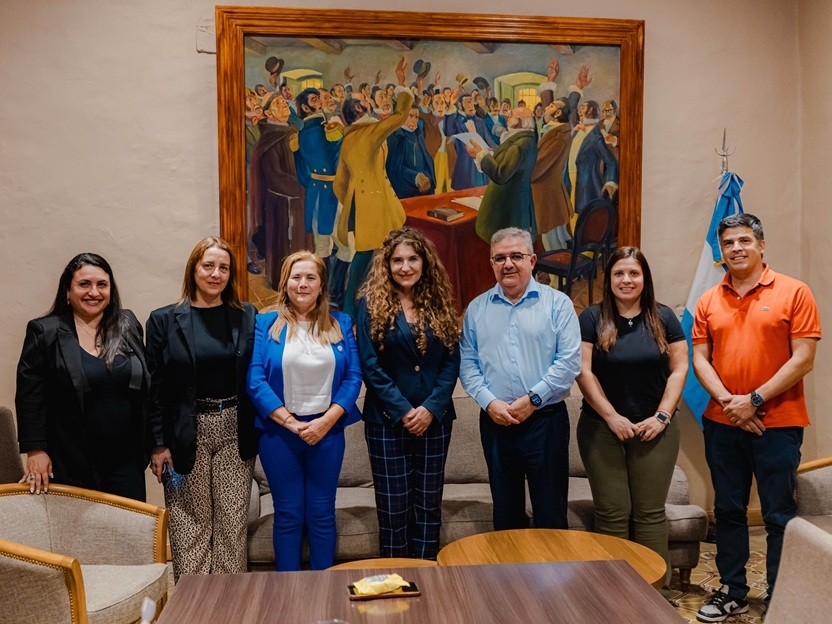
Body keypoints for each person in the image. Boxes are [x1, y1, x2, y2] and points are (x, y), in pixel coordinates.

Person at [692, 213, 820, 622]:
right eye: (728, 243)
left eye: (745, 240)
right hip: (722, 423)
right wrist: (732, 403)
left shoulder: (795, 292)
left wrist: (755, 400)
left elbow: (803, 358)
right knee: (728, 510)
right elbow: (700, 359)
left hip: (778, 424)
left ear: (761, 245)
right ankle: (733, 592)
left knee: (778, 514)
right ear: (721, 251)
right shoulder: (708, 300)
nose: (737, 249)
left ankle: (781, 597)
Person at [146, 237, 258, 579]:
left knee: (231, 526)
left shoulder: (246, 315)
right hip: (184, 431)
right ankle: (193, 604)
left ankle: (231, 603)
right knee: (189, 526)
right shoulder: (163, 320)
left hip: (234, 428)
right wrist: (158, 443)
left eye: (223, 268)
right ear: (193, 270)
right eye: (208, 266)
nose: (215, 274)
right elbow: (154, 388)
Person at [575, 247, 688, 585]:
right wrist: (612, 417)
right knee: (612, 513)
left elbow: (680, 368)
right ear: (609, 280)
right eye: (619, 274)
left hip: (656, 429)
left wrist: (662, 416)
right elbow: (583, 371)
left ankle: (655, 595)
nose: (626, 280)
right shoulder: (591, 318)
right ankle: (613, 594)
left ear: (644, 278)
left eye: (634, 273)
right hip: (602, 429)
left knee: (650, 514)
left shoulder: (664, 317)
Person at [459, 227, 581, 530]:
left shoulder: (558, 304)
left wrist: (533, 399)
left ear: (532, 260)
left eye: (516, 256)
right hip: (496, 421)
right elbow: (468, 365)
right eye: (500, 258)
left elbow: (568, 362)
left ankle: (552, 565)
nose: (508, 264)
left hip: (546, 421)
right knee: (506, 516)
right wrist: (489, 403)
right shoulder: (476, 309)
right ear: (491, 263)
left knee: (551, 515)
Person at [247, 251, 362, 571]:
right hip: (279, 435)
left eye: (311, 277)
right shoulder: (265, 323)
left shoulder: (341, 323)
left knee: (322, 513)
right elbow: (255, 380)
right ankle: (289, 592)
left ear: (321, 284)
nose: (303, 284)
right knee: (288, 514)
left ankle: (324, 588)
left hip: (328, 433)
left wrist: (326, 421)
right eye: (296, 277)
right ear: (285, 283)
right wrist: (290, 423)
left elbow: (354, 377)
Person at [356, 227, 460, 559]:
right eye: (397, 260)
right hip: (387, 421)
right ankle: (398, 579)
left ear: (424, 262)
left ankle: (427, 576)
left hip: (435, 420)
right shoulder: (369, 304)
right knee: (393, 509)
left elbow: (451, 361)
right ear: (386, 265)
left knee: (429, 506)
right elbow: (370, 365)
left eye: (413, 259)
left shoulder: (440, 301)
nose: (405, 267)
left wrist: (431, 408)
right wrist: (403, 410)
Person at [16, 253, 149, 500]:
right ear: (68, 290)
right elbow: (30, 397)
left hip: (126, 460)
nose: (93, 292)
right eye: (84, 284)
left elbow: (146, 386)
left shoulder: (127, 323)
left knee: (128, 523)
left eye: (102, 284)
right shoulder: (45, 331)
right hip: (70, 458)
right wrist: (35, 450)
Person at [464, 106, 538, 243]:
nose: (507, 118)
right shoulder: (524, 140)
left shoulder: (518, 145)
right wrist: (491, 155)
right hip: (513, 200)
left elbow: (501, 174)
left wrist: (481, 155)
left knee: (505, 243)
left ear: (518, 122)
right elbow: (510, 164)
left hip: (509, 206)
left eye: (511, 116)